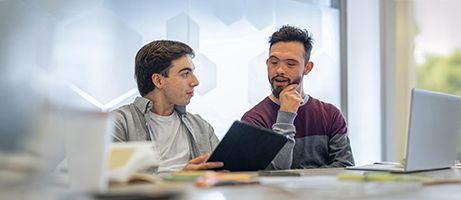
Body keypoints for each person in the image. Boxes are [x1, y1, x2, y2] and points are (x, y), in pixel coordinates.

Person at [241, 25, 354, 169]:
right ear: (267, 63)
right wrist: (286, 117)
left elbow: (345, 168)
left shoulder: (330, 114)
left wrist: (300, 180)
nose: (280, 70)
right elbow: (271, 175)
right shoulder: (253, 120)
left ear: (307, 68)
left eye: (290, 64)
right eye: (274, 62)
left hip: (323, 192)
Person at [112, 40, 223, 171]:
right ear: (158, 81)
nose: (195, 82)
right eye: (185, 74)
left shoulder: (201, 126)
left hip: (196, 192)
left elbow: (221, 172)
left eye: (192, 73)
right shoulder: (118, 123)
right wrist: (180, 178)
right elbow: (114, 181)